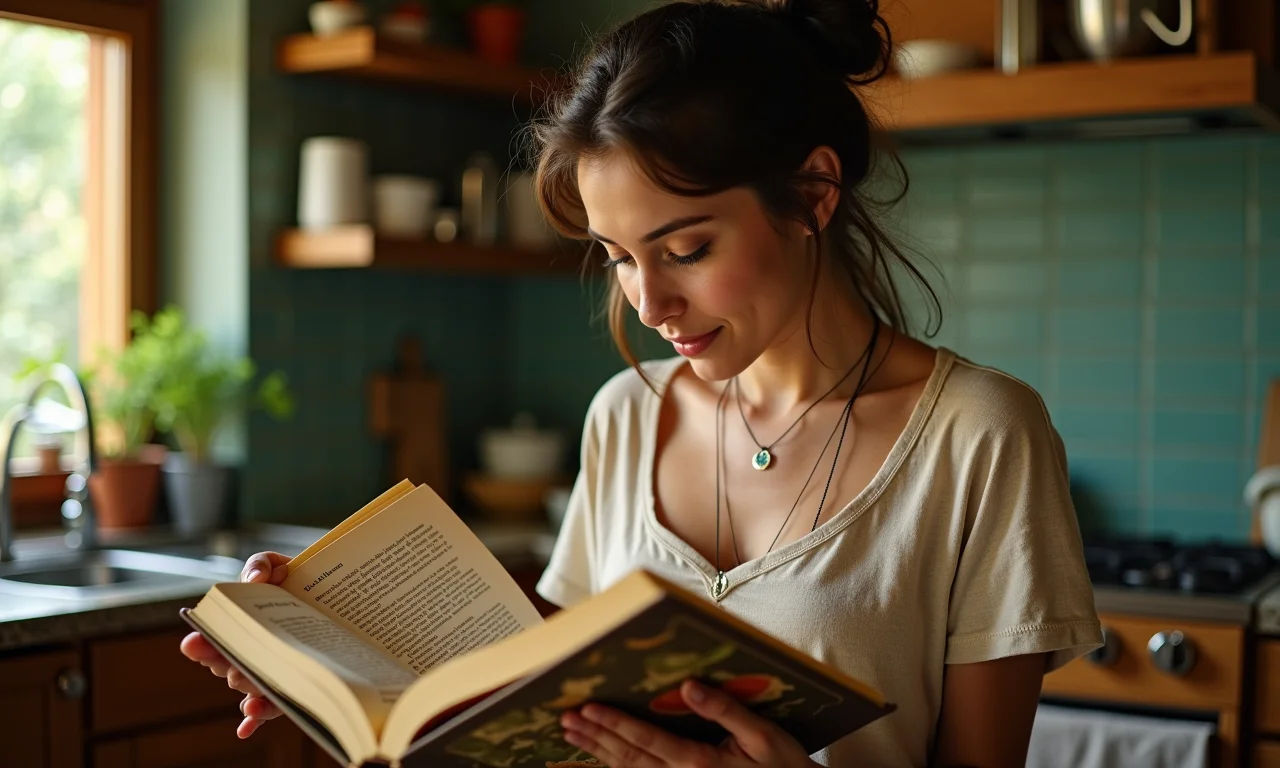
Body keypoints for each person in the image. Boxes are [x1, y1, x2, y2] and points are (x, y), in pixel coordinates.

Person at [180, 0, 1103, 765]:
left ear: (814, 194)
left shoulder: (981, 435)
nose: (651, 303)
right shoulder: (626, 415)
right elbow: (543, 700)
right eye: (620, 257)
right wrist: (327, 645)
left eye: (687, 249)